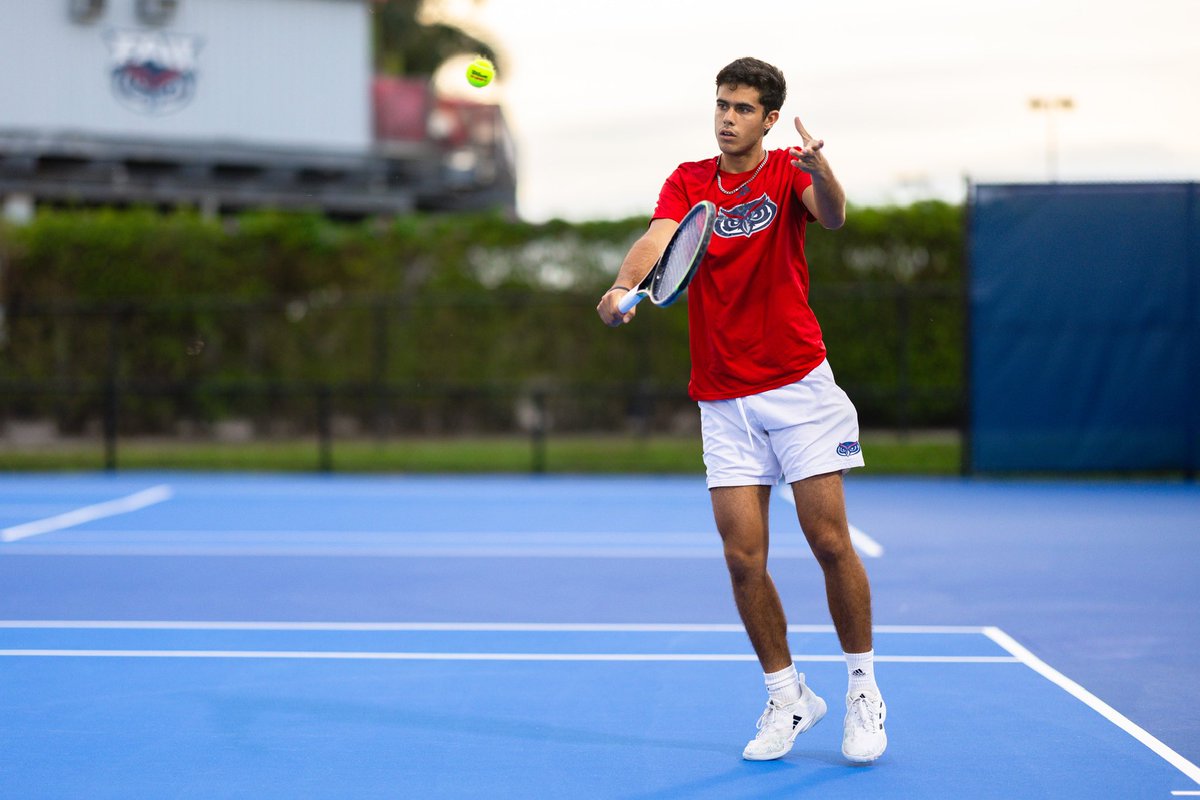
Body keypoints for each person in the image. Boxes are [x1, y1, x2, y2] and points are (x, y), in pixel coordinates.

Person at [596, 57, 886, 764]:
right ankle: (789, 697)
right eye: (721, 104)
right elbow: (659, 237)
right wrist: (621, 284)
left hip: (797, 386)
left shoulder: (790, 172)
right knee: (742, 558)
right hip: (723, 398)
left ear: (770, 118)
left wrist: (822, 169)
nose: (727, 117)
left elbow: (835, 216)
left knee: (828, 541)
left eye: (743, 108)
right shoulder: (689, 179)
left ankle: (861, 689)